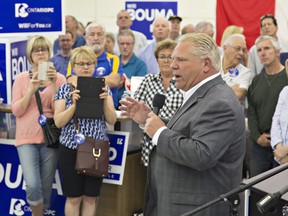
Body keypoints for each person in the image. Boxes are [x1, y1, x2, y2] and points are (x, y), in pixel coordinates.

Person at [120, 33, 245, 215]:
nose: (172, 65)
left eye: (181, 60)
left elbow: (201, 154)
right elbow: (189, 131)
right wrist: (148, 120)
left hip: (196, 208)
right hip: (177, 203)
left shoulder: (220, 102)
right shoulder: (202, 93)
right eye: (172, 59)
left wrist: (159, 133)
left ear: (206, 64)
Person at [54, 46, 116, 216]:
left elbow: (112, 120)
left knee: (90, 197)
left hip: (96, 147)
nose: (86, 67)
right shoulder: (65, 90)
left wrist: (104, 102)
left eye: (90, 63)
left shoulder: (104, 89)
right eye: (81, 63)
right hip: (70, 147)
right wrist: (73, 105)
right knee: (73, 198)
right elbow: (58, 121)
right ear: (73, 66)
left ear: (95, 66)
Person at [11, 35, 66, 215]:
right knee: (33, 185)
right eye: (36, 50)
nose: (40, 53)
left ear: (50, 53)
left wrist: (52, 84)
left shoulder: (59, 78)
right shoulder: (21, 78)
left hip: (50, 138)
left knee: (46, 185)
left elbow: (60, 108)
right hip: (26, 139)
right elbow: (17, 111)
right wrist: (30, 91)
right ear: (30, 55)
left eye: (44, 49)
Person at [129, 39, 183, 167]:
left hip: (175, 140)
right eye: (162, 57)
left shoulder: (183, 81)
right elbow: (137, 106)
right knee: (151, 184)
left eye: (170, 57)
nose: (166, 60)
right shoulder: (148, 80)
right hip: (150, 141)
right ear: (156, 60)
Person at [247, 35, 288, 177]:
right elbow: (251, 112)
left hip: (283, 147)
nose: (262, 53)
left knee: (280, 194)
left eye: (267, 48)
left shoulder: (287, 78)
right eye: (259, 50)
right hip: (260, 146)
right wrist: (257, 136)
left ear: (277, 52)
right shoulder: (256, 81)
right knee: (257, 190)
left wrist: (280, 145)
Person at [66, 22, 123, 109]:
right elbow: (71, 80)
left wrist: (84, 82)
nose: (96, 38)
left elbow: (114, 81)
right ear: (85, 38)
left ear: (105, 38)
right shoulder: (75, 58)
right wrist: (101, 81)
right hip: (80, 108)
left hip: (107, 111)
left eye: (99, 34)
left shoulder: (113, 59)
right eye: (92, 35)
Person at [221, 34, 253, 105]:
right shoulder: (213, 64)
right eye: (237, 48)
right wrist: (229, 89)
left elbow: (236, 95)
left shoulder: (245, 72)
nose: (241, 53)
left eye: (244, 50)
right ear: (225, 48)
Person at [117, 29, 147, 101]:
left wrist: (125, 82)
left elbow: (140, 87)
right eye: (122, 43)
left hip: (131, 105)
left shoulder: (141, 65)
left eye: (128, 44)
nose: (124, 46)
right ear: (118, 44)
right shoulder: (113, 62)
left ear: (133, 45)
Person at [271, 85, 288, 165]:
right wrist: (279, 146)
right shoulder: (285, 91)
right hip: (281, 159)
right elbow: (275, 121)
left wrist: (285, 150)